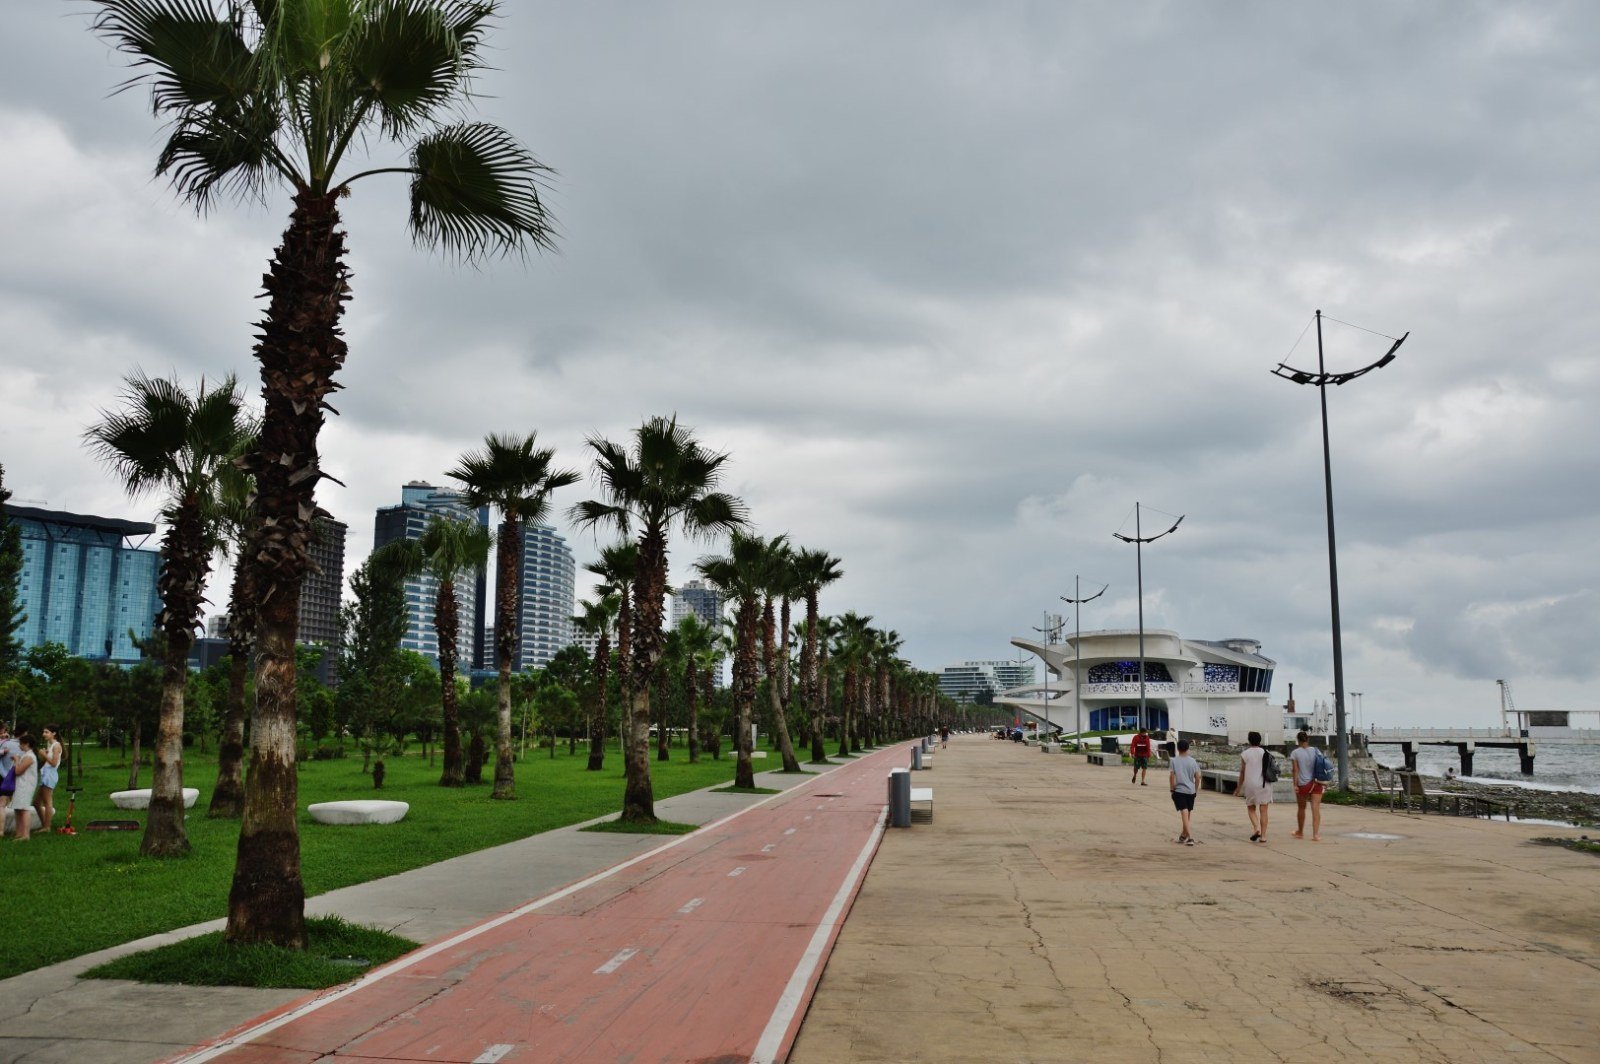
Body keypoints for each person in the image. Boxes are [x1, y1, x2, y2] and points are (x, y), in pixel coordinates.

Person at [1287, 730, 1323, 841]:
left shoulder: (1295, 753)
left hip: (1303, 784)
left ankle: (1300, 832)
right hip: (1317, 783)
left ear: (1298, 740)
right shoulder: (1316, 750)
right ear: (1308, 739)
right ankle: (1316, 835)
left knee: (1302, 808)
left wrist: (1295, 784)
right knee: (1316, 809)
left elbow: (1295, 770)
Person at [1237, 731, 1272, 843]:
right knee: (1264, 810)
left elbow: (1242, 772)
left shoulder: (1245, 754)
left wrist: (1238, 787)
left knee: (1251, 808)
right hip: (1264, 784)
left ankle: (1256, 828)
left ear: (1249, 740)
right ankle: (1263, 836)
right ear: (1260, 740)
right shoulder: (1266, 752)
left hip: (1251, 784)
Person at [1169, 737, 1200, 845]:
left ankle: (1190, 837)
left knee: (1184, 813)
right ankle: (1183, 835)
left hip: (1180, 790)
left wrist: (1172, 789)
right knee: (1187, 813)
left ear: (1178, 749)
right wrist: (1195, 789)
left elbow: (1172, 776)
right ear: (1188, 748)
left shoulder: (1174, 761)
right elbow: (1198, 777)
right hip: (1191, 790)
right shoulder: (1193, 761)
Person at [8, 733, 37, 841]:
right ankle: (19, 832)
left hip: (26, 786)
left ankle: (25, 834)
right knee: (18, 808)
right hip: (20, 785)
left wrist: (16, 760)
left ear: (26, 744)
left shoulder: (30, 756)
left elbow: (18, 771)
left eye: (21, 743)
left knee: (24, 809)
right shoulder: (26, 755)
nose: (19, 745)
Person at [37, 725, 62, 832]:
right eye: (44, 732)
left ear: (54, 733)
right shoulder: (50, 744)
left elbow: (54, 763)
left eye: (46, 732)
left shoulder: (56, 745)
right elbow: (46, 760)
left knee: (47, 802)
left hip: (50, 774)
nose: (44, 734)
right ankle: (45, 824)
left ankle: (47, 827)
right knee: (36, 803)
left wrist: (44, 754)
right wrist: (44, 755)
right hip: (44, 773)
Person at [0, 723, 19, 814]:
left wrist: (5, 740)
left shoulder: (5, 741)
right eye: (3, 730)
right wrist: (3, 751)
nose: (4, 733)